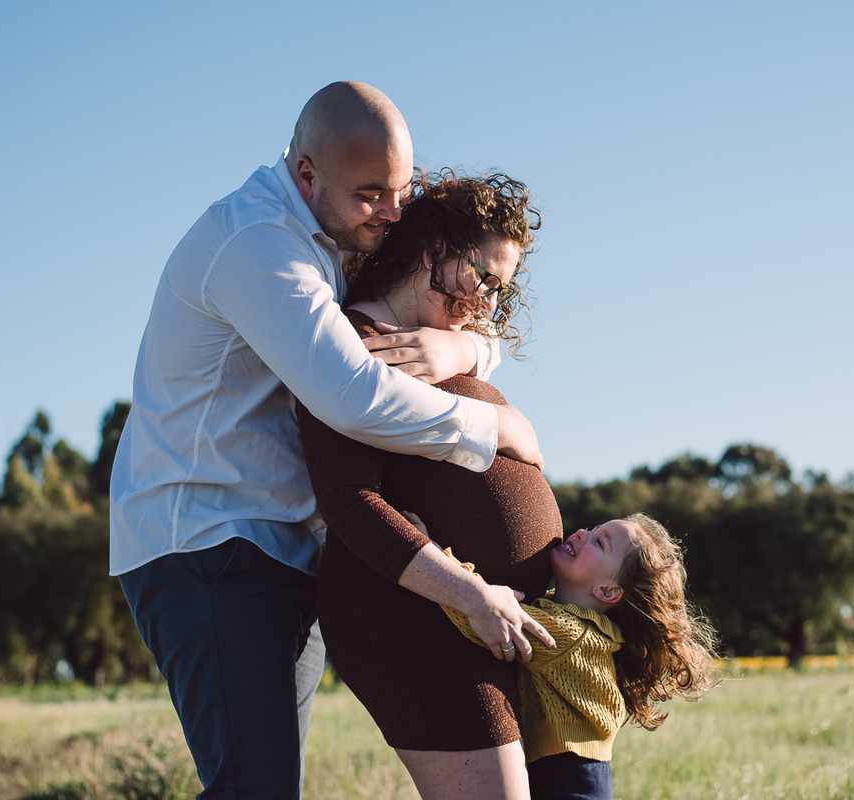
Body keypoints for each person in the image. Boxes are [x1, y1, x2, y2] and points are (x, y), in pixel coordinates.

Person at [109, 82, 544, 800]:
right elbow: (353, 398)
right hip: (208, 539)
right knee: (254, 787)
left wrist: (465, 350)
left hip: (287, 545)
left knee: (269, 786)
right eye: (372, 195)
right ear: (307, 175)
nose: (393, 213)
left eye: (402, 191)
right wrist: (497, 428)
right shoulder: (260, 244)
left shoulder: (349, 229)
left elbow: (465, 297)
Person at [298, 169, 562, 800]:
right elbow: (349, 500)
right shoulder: (351, 346)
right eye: (485, 280)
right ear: (434, 251)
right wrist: (473, 595)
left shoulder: (447, 340)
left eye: (503, 290)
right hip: (412, 615)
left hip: (476, 614)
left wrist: (466, 355)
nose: (490, 304)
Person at [430, 512, 720, 800]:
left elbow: (488, 617)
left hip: (567, 784)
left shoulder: (571, 635)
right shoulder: (581, 627)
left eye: (600, 543)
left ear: (607, 591)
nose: (582, 532)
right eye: (593, 528)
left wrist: (433, 555)